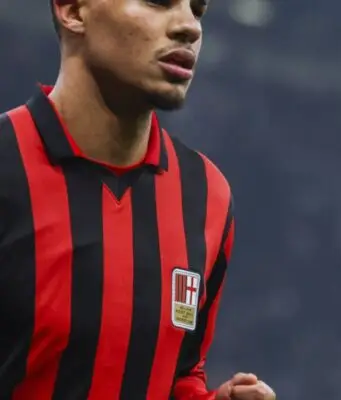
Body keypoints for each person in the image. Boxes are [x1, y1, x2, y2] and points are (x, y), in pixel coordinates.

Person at [0, 0, 276, 399]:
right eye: (158, 2)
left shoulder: (207, 196)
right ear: (73, 10)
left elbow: (181, 372)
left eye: (198, 10)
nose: (190, 27)